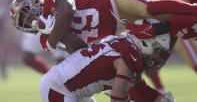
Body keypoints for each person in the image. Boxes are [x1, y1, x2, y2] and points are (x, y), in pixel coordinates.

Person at [10, 0, 197, 54]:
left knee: (150, 8)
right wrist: (52, 37)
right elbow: (80, 49)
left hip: (116, 2)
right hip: (121, 30)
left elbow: (68, 9)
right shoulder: (45, 40)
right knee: (130, 69)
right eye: (24, 21)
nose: (29, 19)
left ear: (34, 1)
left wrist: (53, 29)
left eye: (27, 12)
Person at [39, 34, 175, 102]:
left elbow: (140, 92)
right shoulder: (131, 56)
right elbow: (118, 98)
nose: (158, 58)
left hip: (64, 85)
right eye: (157, 51)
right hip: (59, 88)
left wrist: (159, 98)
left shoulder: (123, 45)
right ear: (146, 44)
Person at [18, 0, 66, 74]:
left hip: (53, 21)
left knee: (60, 59)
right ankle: (52, 77)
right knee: (27, 57)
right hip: (35, 23)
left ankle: (67, 83)